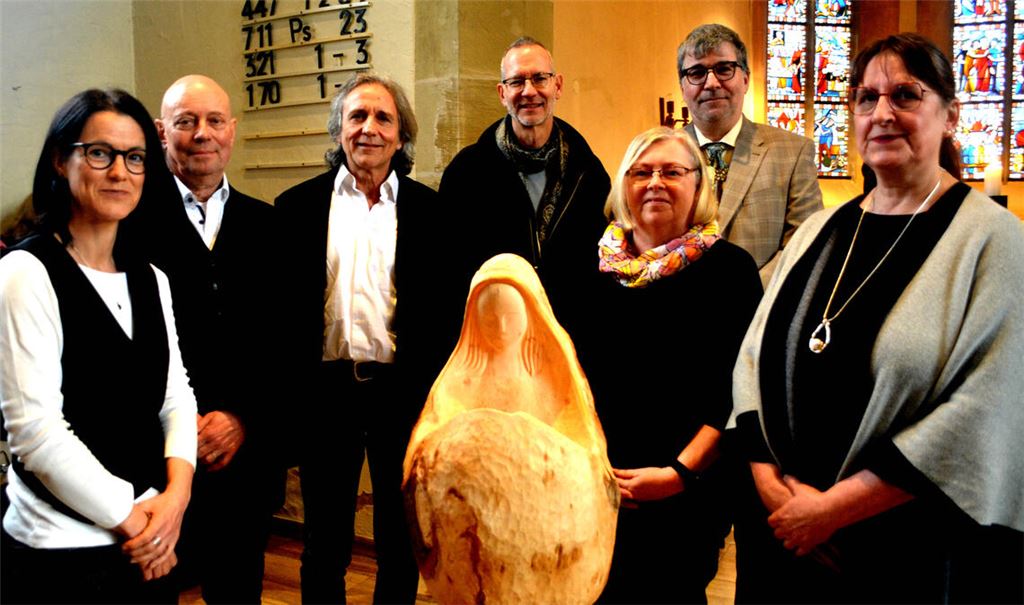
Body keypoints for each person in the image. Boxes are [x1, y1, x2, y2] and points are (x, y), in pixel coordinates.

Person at [729, 33, 1024, 603]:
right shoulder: (819, 231)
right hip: (784, 535)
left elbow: (986, 407)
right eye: (866, 98)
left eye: (906, 95)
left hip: (908, 549)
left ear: (950, 116)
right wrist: (771, 484)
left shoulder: (996, 241)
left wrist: (830, 511)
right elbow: (752, 357)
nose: (882, 113)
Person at [0, 89, 197, 603]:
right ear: (60, 160)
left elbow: (175, 398)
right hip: (62, 552)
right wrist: (139, 524)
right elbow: (37, 435)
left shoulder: (152, 279)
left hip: (153, 534)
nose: (119, 172)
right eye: (99, 152)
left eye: (135, 158)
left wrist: (175, 500)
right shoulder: (24, 273)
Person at [276, 73, 449, 605]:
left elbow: (443, 313)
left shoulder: (431, 210)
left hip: (402, 394)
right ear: (338, 131)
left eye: (383, 118)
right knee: (324, 541)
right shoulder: (296, 207)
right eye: (357, 116)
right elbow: (281, 313)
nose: (369, 128)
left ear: (401, 136)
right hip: (326, 393)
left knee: (401, 542)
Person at [573, 127, 762, 604]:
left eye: (671, 172)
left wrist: (679, 474)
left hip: (686, 490)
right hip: (596, 483)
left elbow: (735, 392)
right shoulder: (590, 270)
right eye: (641, 172)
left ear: (698, 186)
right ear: (623, 186)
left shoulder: (729, 271)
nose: (655, 182)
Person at [137, 74, 285, 604]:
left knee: (239, 589)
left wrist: (242, 419)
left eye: (214, 121)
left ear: (232, 131)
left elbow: (284, 343)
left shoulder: (269, 226)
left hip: (244, 456)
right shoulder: (128, 222)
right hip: (150, 460)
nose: (202, 134)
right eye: (185, 121)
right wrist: (181, 432)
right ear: (160, 132)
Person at [439, 36, 610, 340]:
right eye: (517, 81)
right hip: (493, 341)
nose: (529, 91)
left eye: (539, 79)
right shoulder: (466, 174)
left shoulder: (590, 173)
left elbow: (603, 267)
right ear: (502, 93)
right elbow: (447, 273)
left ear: (557, 85)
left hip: (571, 342)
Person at [678, 24, 822, 285]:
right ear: (682, 86)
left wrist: (748, 295)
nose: (711, 83)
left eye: (724, 69)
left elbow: (805, 242)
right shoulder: (661, 156)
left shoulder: (792, 152)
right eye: (697, 72)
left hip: (763, 308)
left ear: (745, 79)